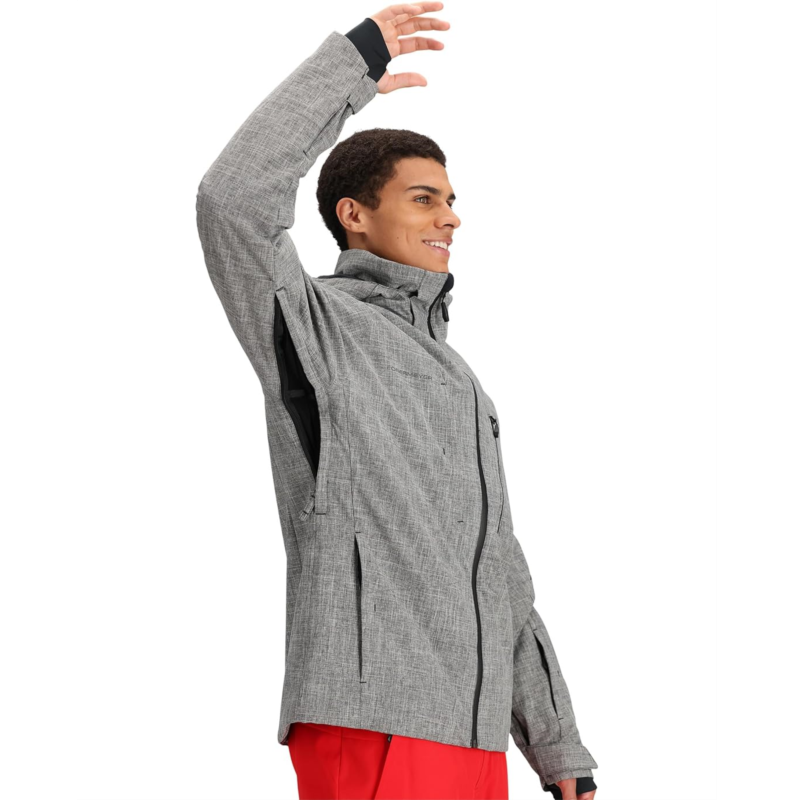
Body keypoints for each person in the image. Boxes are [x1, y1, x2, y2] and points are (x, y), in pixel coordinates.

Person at [195, 4, 599, 799]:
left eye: (449, 198)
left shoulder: (460, 380)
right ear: (354, 215)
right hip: (374, 716)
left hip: (473, 734)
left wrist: (557, 745)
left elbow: (497, 570)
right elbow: (231, 200)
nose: (451, 216)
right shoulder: (315, 325)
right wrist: (353, 65)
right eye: (422, 198)